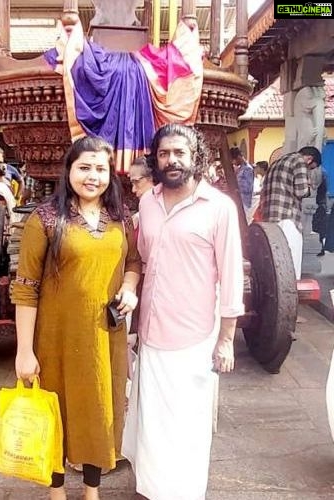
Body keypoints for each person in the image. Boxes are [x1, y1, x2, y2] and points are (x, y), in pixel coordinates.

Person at [11, 136, 141, 500]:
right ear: (68, 170)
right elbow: (25, 287)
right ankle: (56, 493)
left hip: (105, 338)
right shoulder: (46, 219)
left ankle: (91, 491)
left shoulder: (120, 217)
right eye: (84, 167)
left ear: (110, 175)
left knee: (99, 411)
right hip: (55, 340)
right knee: (55, 414)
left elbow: (134, 261)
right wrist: (24, 351)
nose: (92, 177)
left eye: (100, 169)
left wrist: (129, 286)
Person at [122, 124, 244, 500]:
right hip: (152, 334)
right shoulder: (147, 203)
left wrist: (226, 340)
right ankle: (153, 490)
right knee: (153, 423)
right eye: (164, 154)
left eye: (180, 153)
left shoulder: (218, 208)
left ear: (196, 157)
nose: (172, 160)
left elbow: (232, 276)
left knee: (188, 426)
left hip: (194, 337)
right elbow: (139, 260)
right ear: (155, 160)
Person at [260, 146, 321, 280]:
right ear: (309, 159)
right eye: (311, 168)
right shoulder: (299, 162)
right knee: (291, 262)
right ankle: (291, 294)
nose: (309, 170)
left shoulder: (277, 162)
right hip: (287, 217)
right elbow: (301, 191)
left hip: (270, 218)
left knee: (275, 261)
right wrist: (309, 187)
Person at [230, 146, 254, 221]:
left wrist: (235, 184)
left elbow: (248, 188)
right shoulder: (240, 169)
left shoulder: (247, 169)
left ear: (238, 157)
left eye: (233, 160)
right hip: (239, 201)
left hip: (244, 203)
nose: (233, 162)